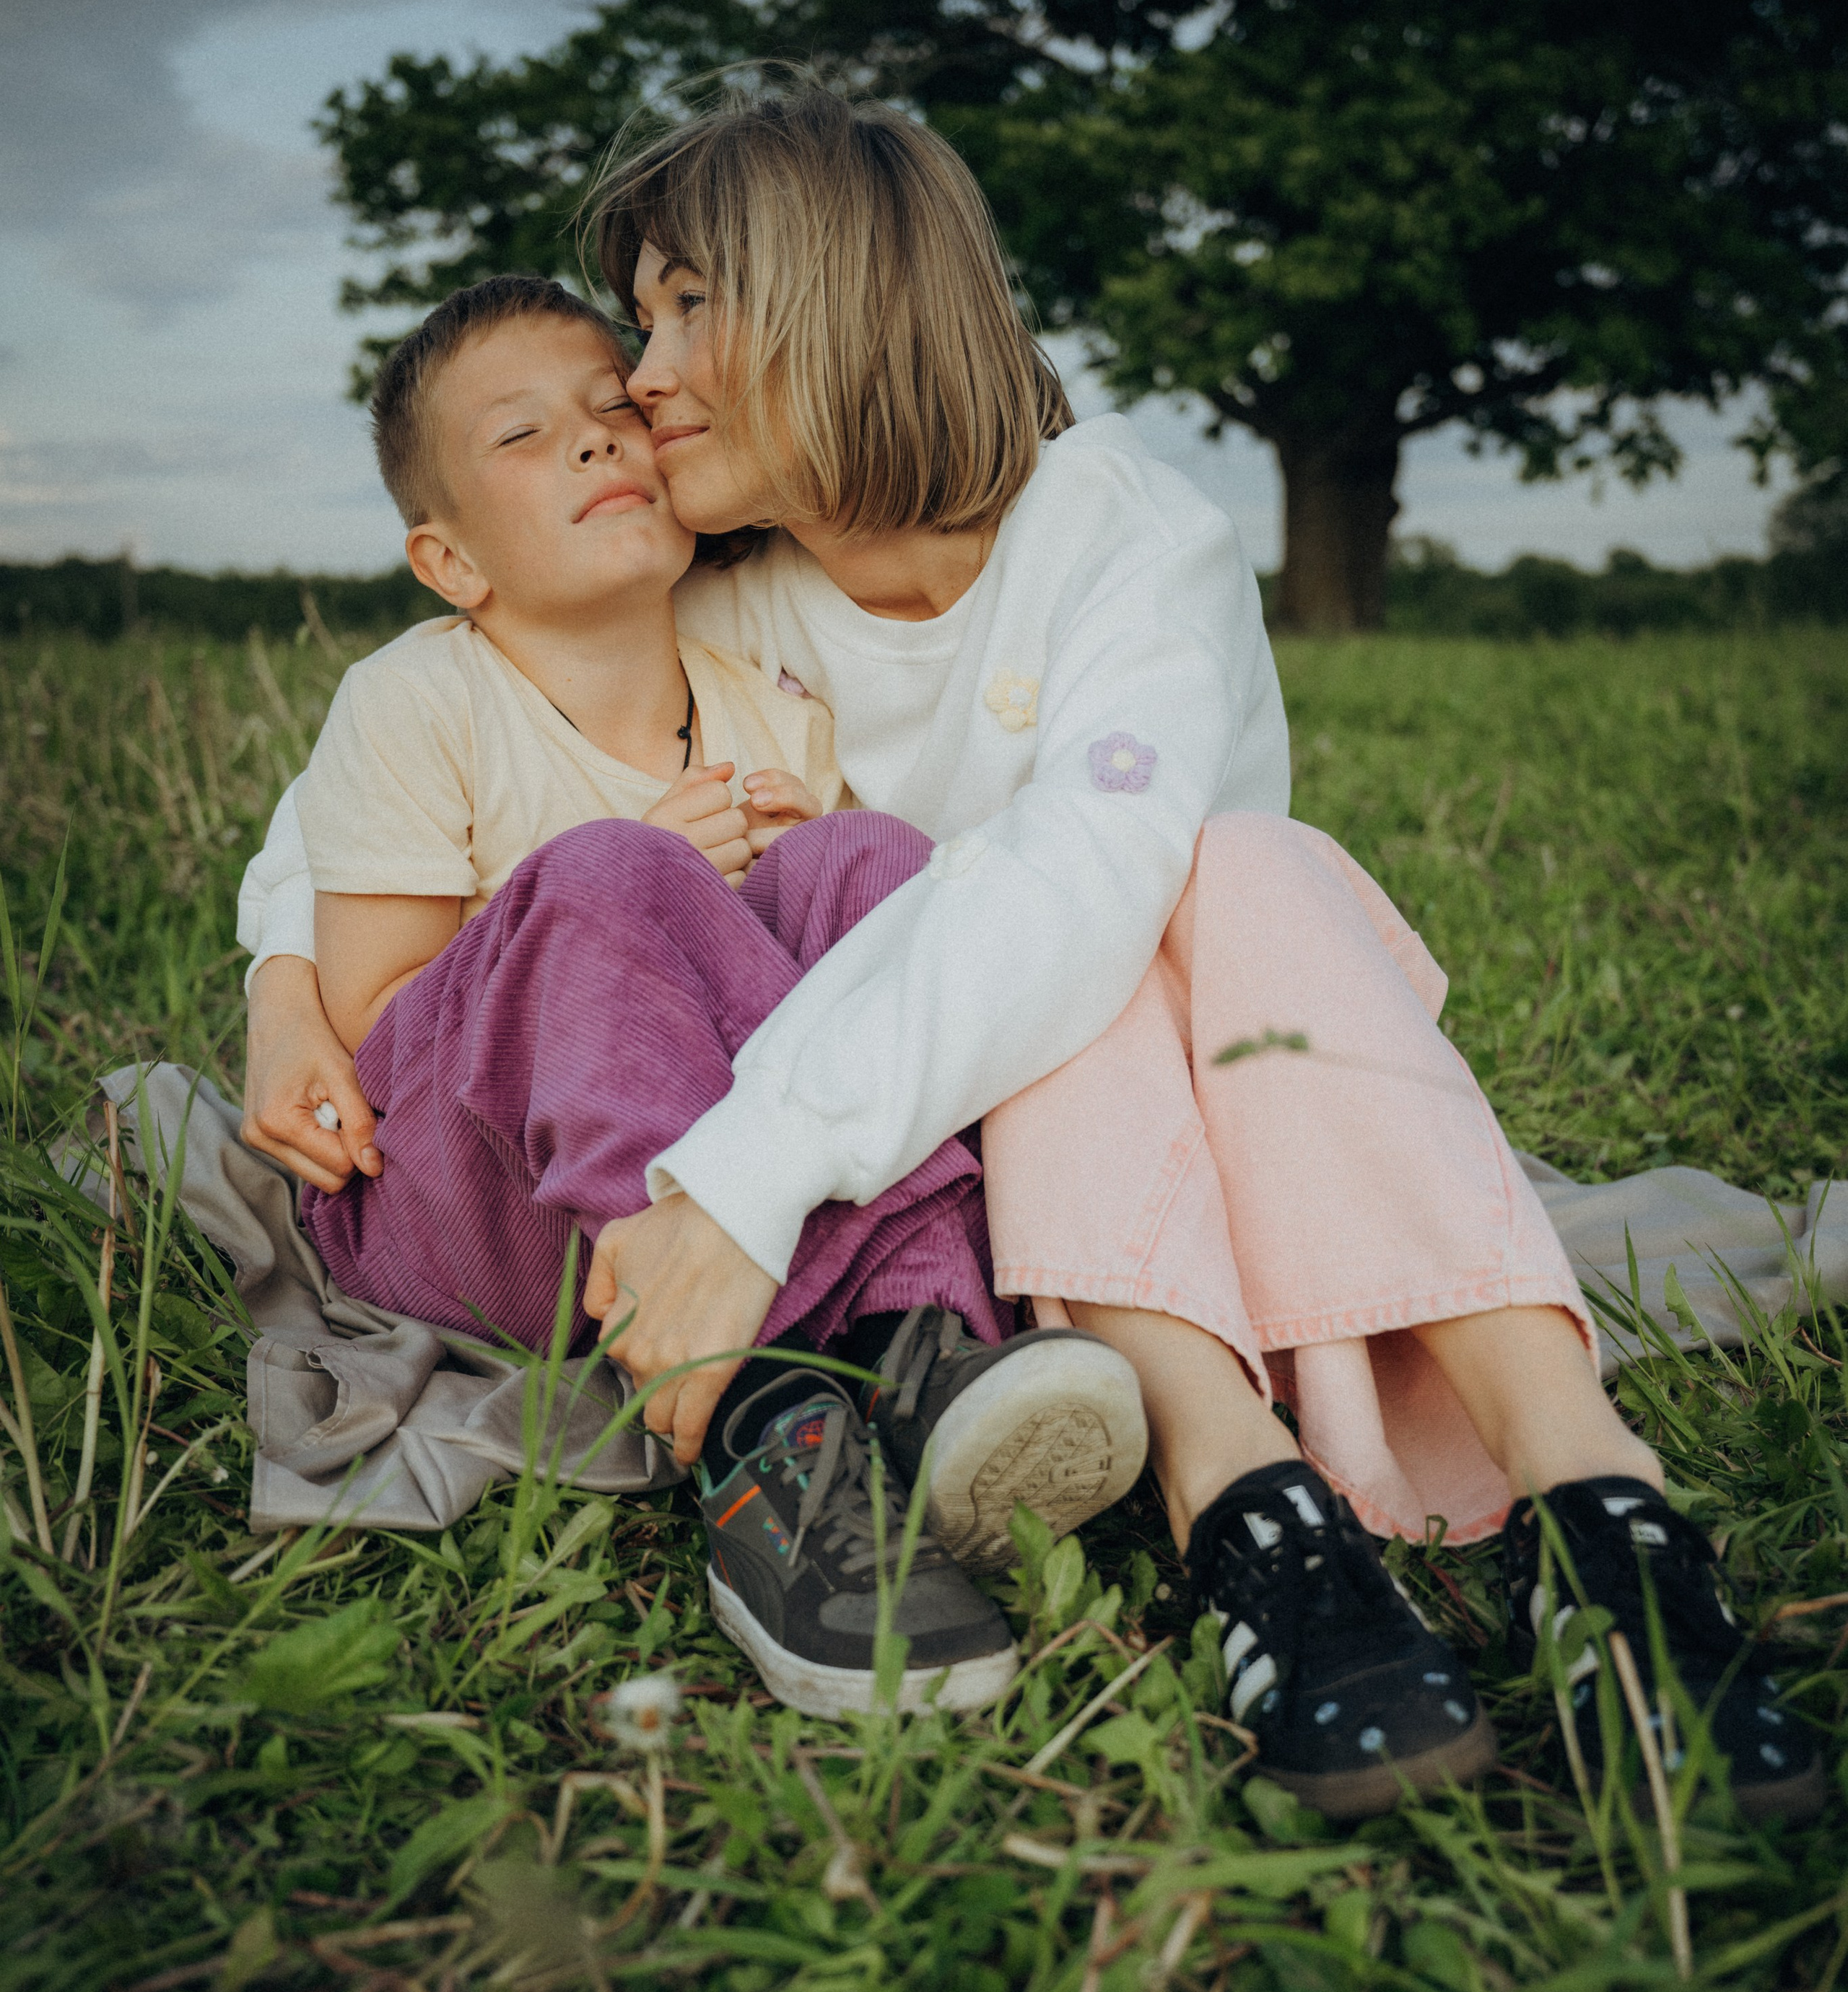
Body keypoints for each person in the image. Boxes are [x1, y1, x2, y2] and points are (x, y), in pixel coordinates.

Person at [240, 91, 1823, 1825]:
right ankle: (1245, 1513)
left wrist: (750, 1177)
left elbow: (1083, 877)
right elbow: (418, 737)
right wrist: (283, 984)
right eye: (645, 311)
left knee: (1219, 874)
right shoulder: (709, 574)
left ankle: (1598, 1510)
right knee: (1010, 927)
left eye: (689, 304)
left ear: (836, 303)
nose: (640, 371)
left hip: (1149, 1098)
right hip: (962, 1158)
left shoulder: (1126, 541)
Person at [273, 269, 1148, 1721]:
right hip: (464, 1203)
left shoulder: (768, 708)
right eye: (524, 436)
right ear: (450, 563)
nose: (595, 441)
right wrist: (612, 886)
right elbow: (376, 1034)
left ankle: (917, 1356)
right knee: (613, 873)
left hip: (712, 1210)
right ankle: (762, 1434)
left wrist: (757, 900)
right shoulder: (415, 696)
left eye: (612, 409)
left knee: (877, 862)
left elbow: (835, 977)